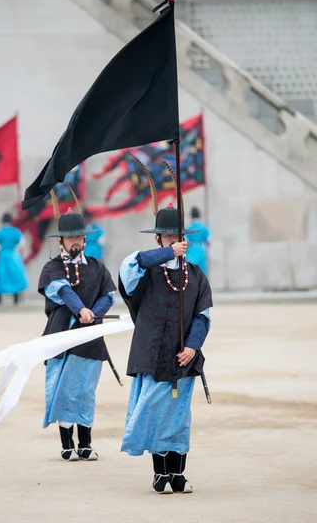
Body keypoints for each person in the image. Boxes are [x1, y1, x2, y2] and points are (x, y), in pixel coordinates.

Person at [119, 172, 212, 495]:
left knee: (179, 417)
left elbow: (203, 316)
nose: (173, 241)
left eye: (177, 237)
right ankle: (160, 475)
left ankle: (178, 475)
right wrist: (167, 255)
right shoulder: (143, 268)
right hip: (152, 353)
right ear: (157, 239)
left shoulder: (196, 274)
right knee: (156, 413)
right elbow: (130, 266)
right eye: (167, 237)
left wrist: (192, 347)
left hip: (183, 356)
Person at [38, 203, 116, 462]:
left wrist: (93, 313)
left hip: (91, 337)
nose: (75, 241)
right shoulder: (53, 268)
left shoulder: (97, 266)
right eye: (70, 237)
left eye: (78, 237)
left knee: (85, 391)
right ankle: (66, 444)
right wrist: (81, 309)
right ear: (61, 241)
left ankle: (85, 443)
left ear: (84, 239)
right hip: (61, 337)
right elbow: (63, 291)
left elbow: (108, 295)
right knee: (62, 390)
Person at [0, 213, 28, 305]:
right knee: (14, 275)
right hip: (14, 255)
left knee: (1, 275)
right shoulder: (16, 232)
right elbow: (22, 243)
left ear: (2, 221)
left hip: (3, 255)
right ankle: (15, 297)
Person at [185, 206, 211, 276]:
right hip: (201, 250)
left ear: (191, 216)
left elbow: (185, 241)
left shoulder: (188, 228)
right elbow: (209, 241)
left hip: (191, 250)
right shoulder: (204, 227)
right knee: (202, 271)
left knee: (191, 271)